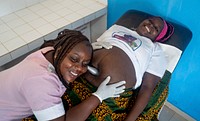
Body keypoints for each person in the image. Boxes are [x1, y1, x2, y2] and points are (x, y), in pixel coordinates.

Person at [22, 16, 174, 121]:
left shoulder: (155, 50)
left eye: (155, 28)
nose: (149, 25)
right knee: (45, 112)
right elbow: (88, 48)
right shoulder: (118, 28)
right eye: (149, 20)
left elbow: (147, 87)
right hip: (77, 77)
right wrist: (94, 46)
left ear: (158, 37)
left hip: (111, 95)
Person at [0, 29, 126, 121]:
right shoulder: (41, 82)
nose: (79, 68)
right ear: (60, 50)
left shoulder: (50, 50)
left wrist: (83, 49)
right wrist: (98, 96)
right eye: (74, 59)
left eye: (85, 63)